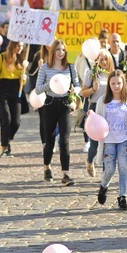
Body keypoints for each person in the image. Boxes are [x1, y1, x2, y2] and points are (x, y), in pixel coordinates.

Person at [35, 39, 81, 185]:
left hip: (65, 104)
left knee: (65, 140)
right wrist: (51, 84)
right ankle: (47, 166)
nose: (61, 52)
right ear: (52, 51)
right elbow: (37, 89)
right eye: (58, 50)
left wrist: (75, 92)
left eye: (63, 50)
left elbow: (78, 85)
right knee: (49, 140)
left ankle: (66, 174)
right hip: (49, 104)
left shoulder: (70, 68)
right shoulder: (45, 68)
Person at [93, 70, 127, 210]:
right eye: (113, 83)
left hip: (123, 139)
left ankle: (123, 197)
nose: (116, 86)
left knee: (123, 167)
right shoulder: (103, 101)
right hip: (109, 140)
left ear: (123, 83)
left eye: (119, 83)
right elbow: (98, 119)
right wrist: (91, 117)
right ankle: (103, 186)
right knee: (110, 169)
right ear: (109, 84)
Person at [0, 41, 28, 157]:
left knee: (16, 121)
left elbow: (23, 83)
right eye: (18, 46)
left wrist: (24, 78)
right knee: (6, 119)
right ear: (12, 45)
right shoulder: (2, 57)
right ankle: (4, 147)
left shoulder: (23, 60)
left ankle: (8, 138)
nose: (20, 49)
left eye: (22, 46)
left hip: (16, 89)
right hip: (3, 89)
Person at [80, 51, 114, 176]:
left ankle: (106, 173)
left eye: (106, 59)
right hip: (95, 108)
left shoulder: (112, 75)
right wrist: (93, 89)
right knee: (94, 142)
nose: (104, 62)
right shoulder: (92, 74)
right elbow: (83, 93)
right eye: (102, 60)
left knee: (108, 142)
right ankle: (90, 161)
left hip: (110, 109)